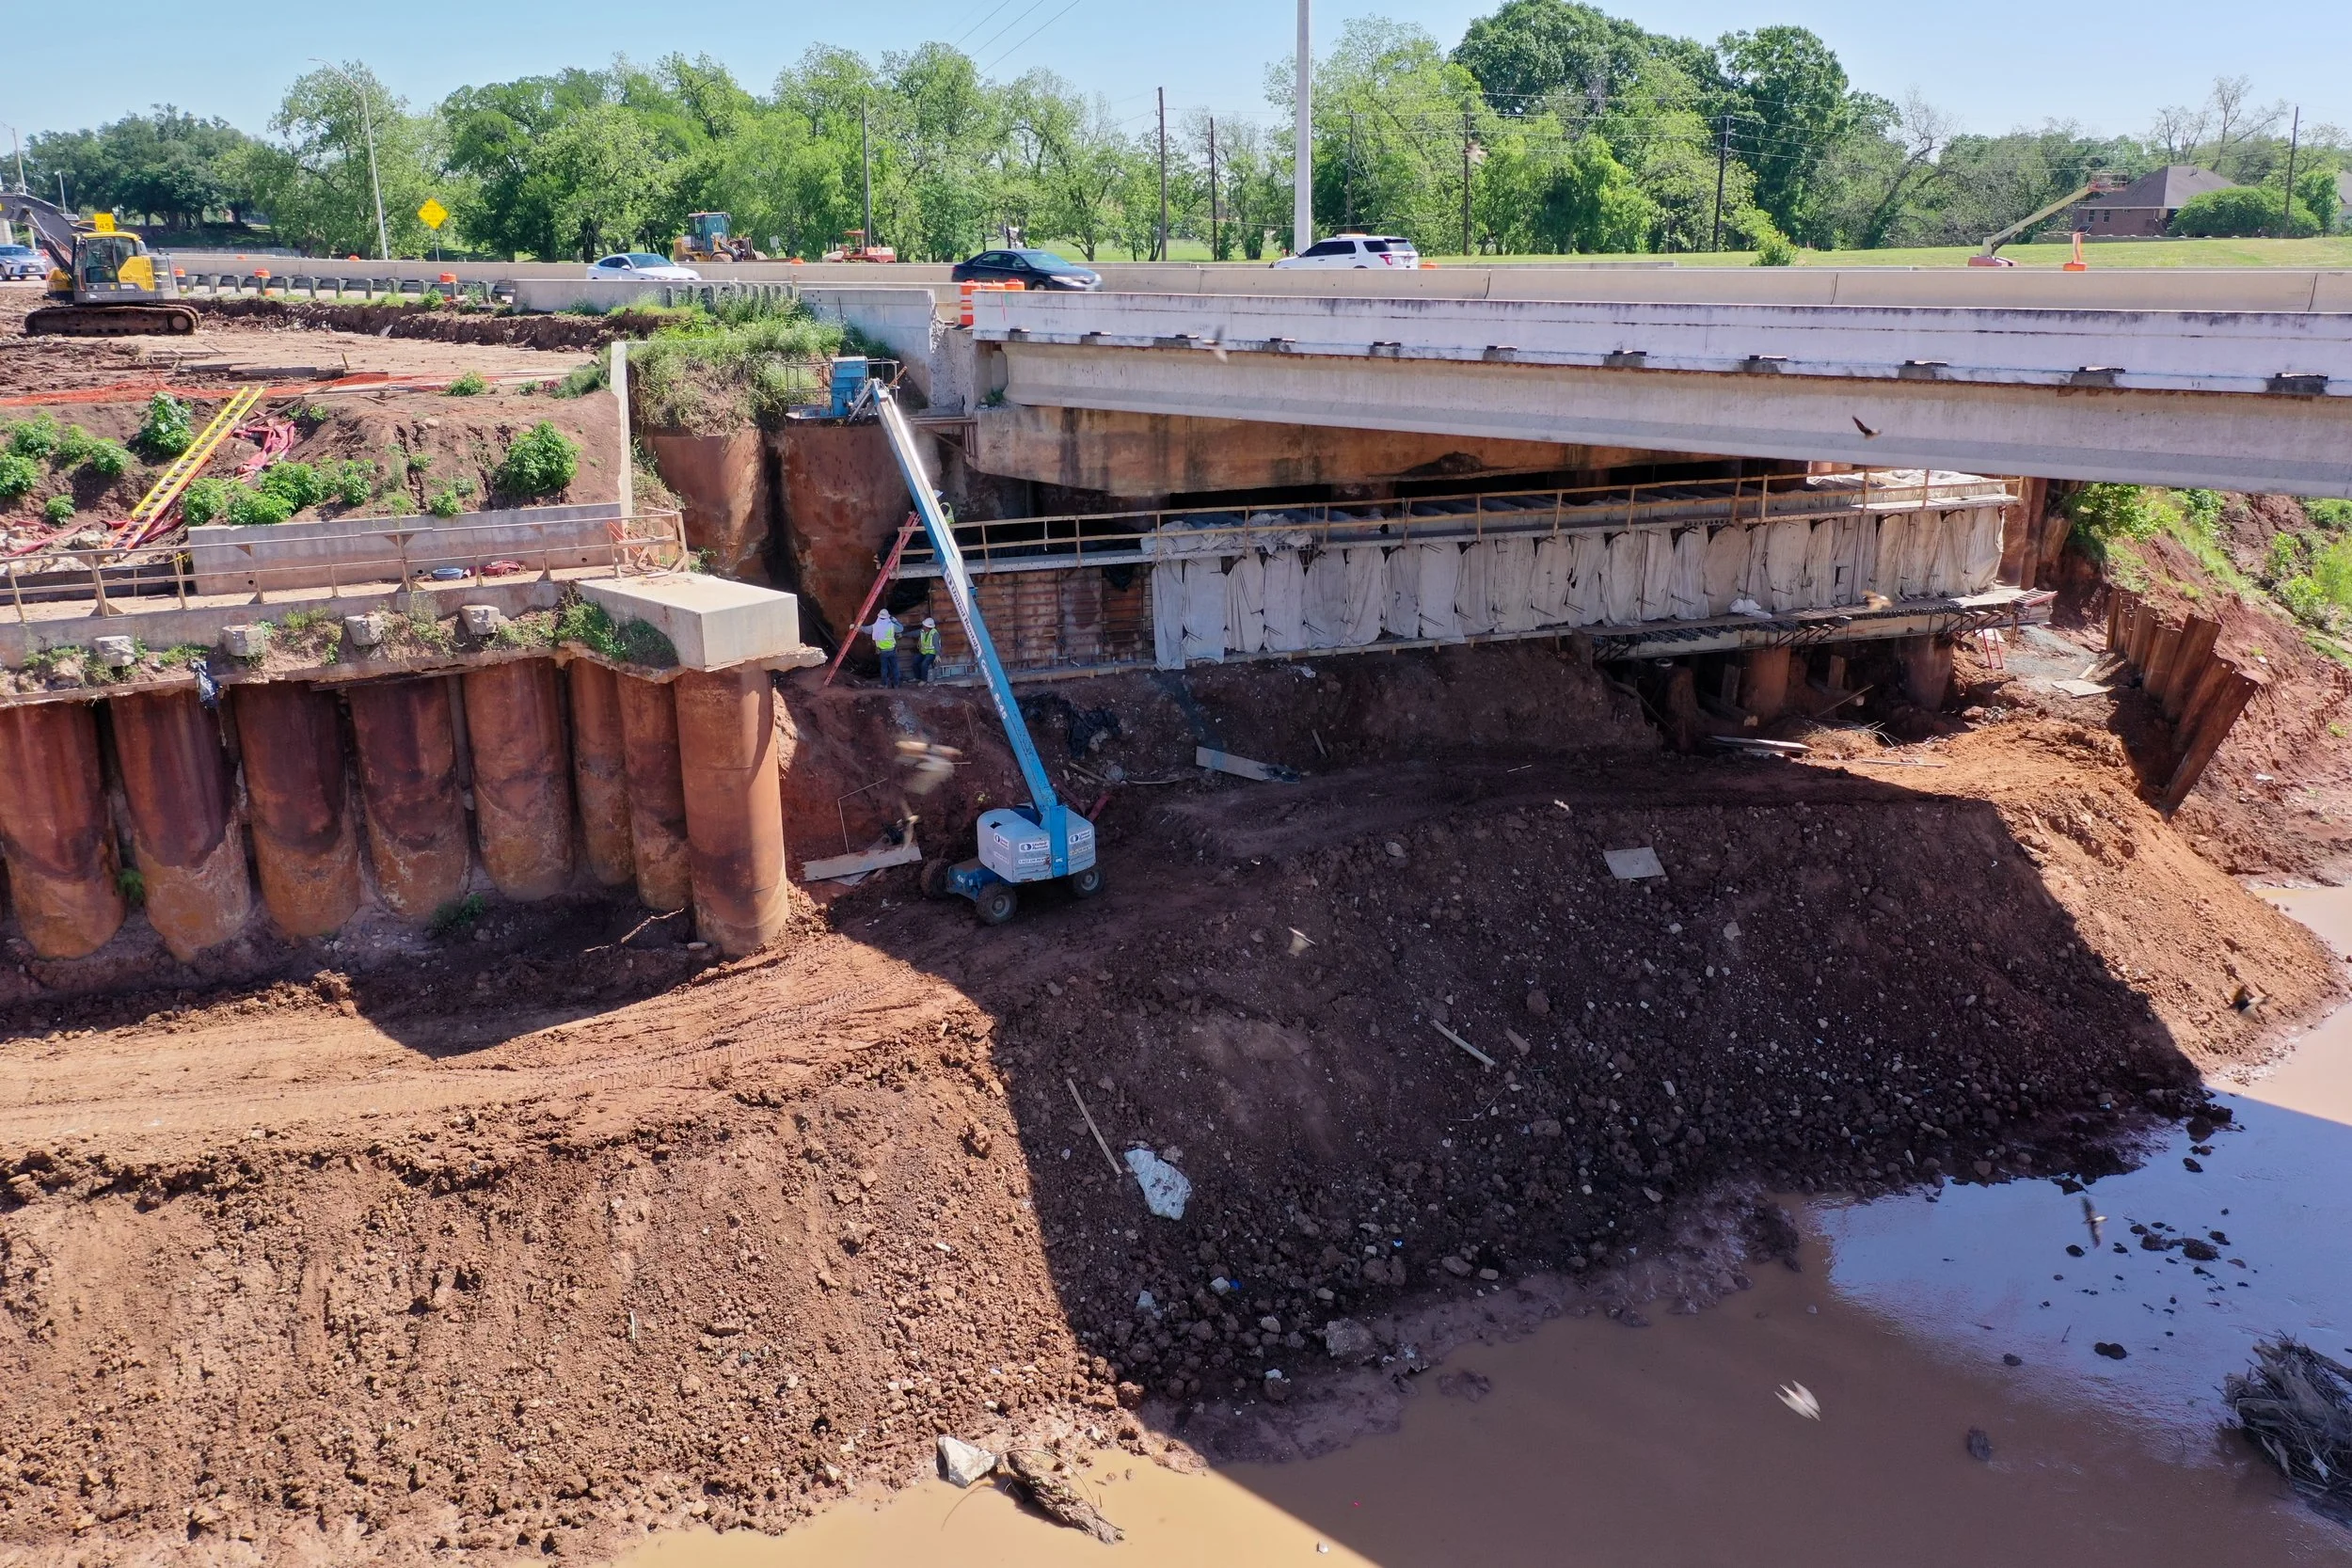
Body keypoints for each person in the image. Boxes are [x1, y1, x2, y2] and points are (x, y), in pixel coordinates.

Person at [870, 608, 901, 687]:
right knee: (895, 667)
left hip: (883, 652)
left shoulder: (875, 626)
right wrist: (895, 620)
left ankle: (885, 685)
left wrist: (857, 627)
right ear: (888, 617)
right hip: (892, 650)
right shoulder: (892, 626)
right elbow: (901, 628)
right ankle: (896, 684)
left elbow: (866, 629)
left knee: (884, 669)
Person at [915, 618, 940, 683]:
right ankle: (918, 677)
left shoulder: (934, 634)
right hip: (923, 652)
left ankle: (923, 680)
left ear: (928, 627)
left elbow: (936, 645)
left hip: (931, 653)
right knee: (915, 662)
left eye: (924, 626)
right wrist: (903, 635)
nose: (923, 626)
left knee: (924, 664)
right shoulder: (922, 631)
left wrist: (937, 655)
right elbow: (914, 633)